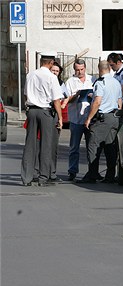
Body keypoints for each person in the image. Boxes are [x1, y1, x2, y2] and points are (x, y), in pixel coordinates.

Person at [21, 52, 64, 186]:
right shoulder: (51, 77)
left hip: (32, 110)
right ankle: (43, 178)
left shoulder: (30, 75)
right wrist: (60, 118)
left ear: (41, 62)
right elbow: (56, 100)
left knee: (30, 144)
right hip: (45, 112)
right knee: (46, 144)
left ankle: (27, 177)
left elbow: (25, 95)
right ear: (51, 63)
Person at [77, 60, 121, 184]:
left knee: (93, 146)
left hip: (102, 119)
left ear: (100, 69)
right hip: (114, 117)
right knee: (109, 147)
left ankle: (92, 175)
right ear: (109, 68)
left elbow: (97, 102)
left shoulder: (100, 83)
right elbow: (119, 102)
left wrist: (89, 118)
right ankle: (110, 175)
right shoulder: (116, 82)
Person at [64, 58, 94, 181]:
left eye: (81, 69)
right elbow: (65, 100)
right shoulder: (70, 82)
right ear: (74, 69)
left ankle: (92, 172)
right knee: (74, 147)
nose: (80, 72)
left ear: (85, 68)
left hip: (89, 118)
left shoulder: (92, 80)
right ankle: (72, 171)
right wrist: (75, 95)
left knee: (91, 147)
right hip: (76, 118)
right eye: (77, 70)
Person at [46, 61, 66, 182]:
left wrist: (64, 103)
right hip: (45, 112)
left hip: (54, 114)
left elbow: (65, 96)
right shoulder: (44, 80)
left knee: (53, 145)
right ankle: (40, 171)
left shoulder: (60, 83)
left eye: (57, 71)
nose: (55, 73)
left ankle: (52, 172)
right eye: (53, 70)